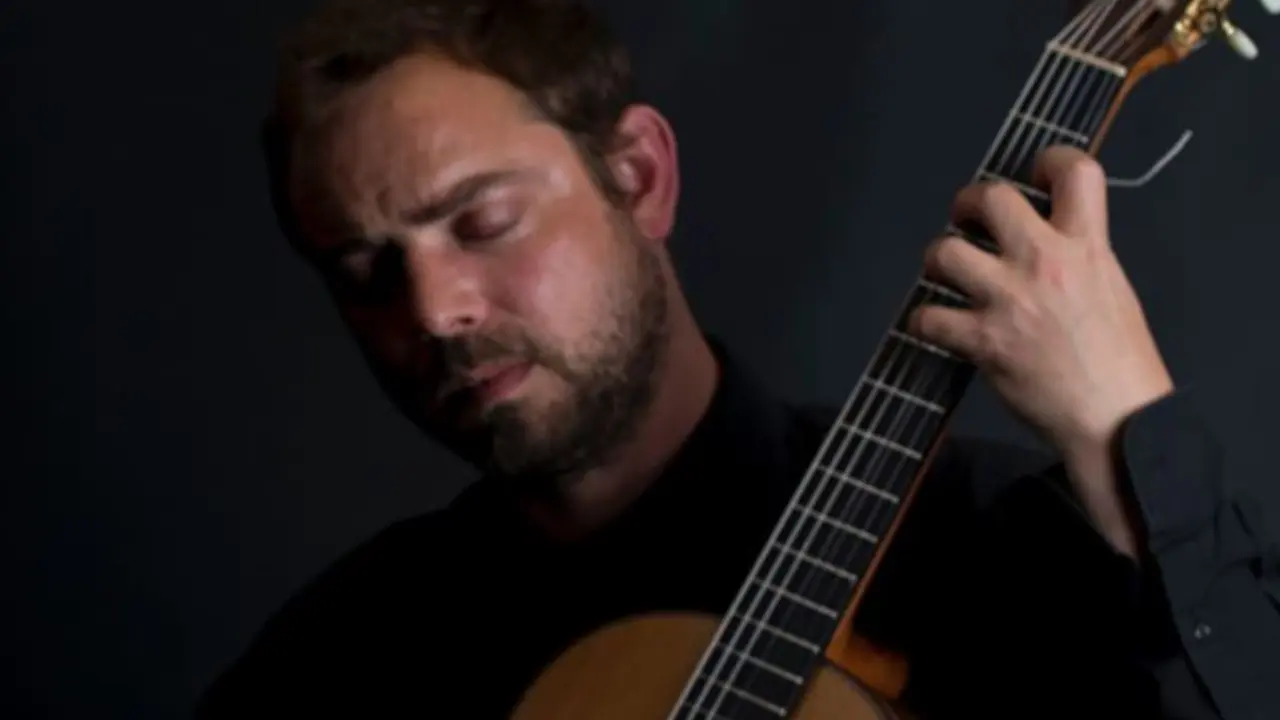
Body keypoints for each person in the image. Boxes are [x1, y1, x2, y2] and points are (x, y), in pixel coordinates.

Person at [197, 0, 1280, 717]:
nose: (433, 309)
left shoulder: (1000, 560)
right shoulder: (337, 667)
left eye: (481, 222)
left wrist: (1124, 431)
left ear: (638, 175)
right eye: (363, 272)